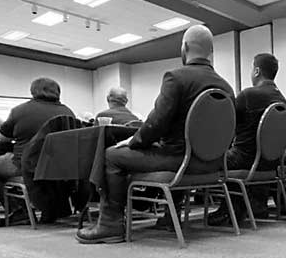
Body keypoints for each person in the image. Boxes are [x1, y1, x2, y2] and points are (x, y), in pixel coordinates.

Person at [77, 25, 234, 244]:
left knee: (111, 155)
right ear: (210, 51)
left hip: (179, 162)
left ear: (185, 47)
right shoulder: (226, 88)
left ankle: (111, 224)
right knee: (174, 149)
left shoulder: (176, 78)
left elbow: (156, 124)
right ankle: (170, 217)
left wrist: (134, 141)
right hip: (212, 166)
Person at [207, 53, 286, 226]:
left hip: (244, 159)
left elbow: (226, 123)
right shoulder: (281, 100)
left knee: (209, 157)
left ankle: (229, 210)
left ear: (257, 71)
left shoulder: (248, 95)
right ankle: (252, 205)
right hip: (270, 164)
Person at [0, 78, 75, 180]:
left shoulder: (19, 111)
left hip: (25, 166)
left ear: (33, 91)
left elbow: (3, 138)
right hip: (59, 166)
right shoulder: (68, 112)